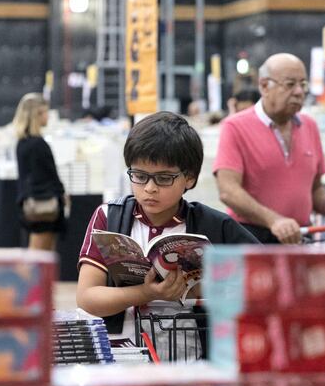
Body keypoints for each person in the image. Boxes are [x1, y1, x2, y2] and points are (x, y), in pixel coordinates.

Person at [76, 111, 258, 346]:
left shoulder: (214, 226)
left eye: (164, 178)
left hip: (192, 356)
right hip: (122, 354)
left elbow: (260, 280)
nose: (149, 188)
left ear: (189, 178)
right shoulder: (110, 217)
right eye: (139, 176)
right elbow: (87, 297)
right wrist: (147, 293)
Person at [214, 53, 325, 244]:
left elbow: (316, 187)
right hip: (251, 238)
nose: (299, 92)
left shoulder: (310, 126)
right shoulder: (235, 127)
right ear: (264, 86)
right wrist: (273, 220)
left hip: (299, 237)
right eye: (290, 84)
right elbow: (228, 190)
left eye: (303, 84)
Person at [14, 92, 65, 251]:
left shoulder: (23, 142)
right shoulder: (38, 144)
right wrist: (61, 193)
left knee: (39, 250)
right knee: (40, 252)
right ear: (37, 115)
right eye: (45, 112)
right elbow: (48, 174)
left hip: (31, 203)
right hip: (43, 204)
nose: (48, 116)